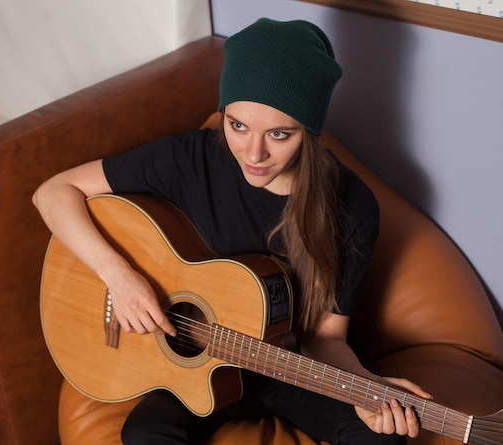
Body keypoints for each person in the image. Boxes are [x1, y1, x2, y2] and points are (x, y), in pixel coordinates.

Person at [33, 18, 431, 445]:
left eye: (279, 134)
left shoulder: (351, 206)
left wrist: (368, 388)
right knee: (145, 433)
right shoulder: (189, 159)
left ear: (309, 131)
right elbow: (53, 193)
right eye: (238, 125)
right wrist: (119, 277)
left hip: (290, 367)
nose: (253, 153)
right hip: (195, 369)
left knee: (383, 439)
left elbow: (326, 338)